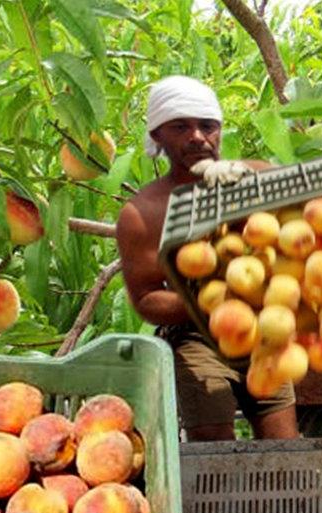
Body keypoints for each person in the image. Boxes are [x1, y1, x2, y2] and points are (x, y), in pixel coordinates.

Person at [116, 75, 299, 441]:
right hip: (196, 339)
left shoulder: (254, 176)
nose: (197, 136)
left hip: (262, 335)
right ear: (157, 136)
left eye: (207, 126)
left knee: (285, 449)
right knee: (214, 455)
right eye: (181, 127)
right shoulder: (143, 213)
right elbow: (147, 299)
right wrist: (217, 301)